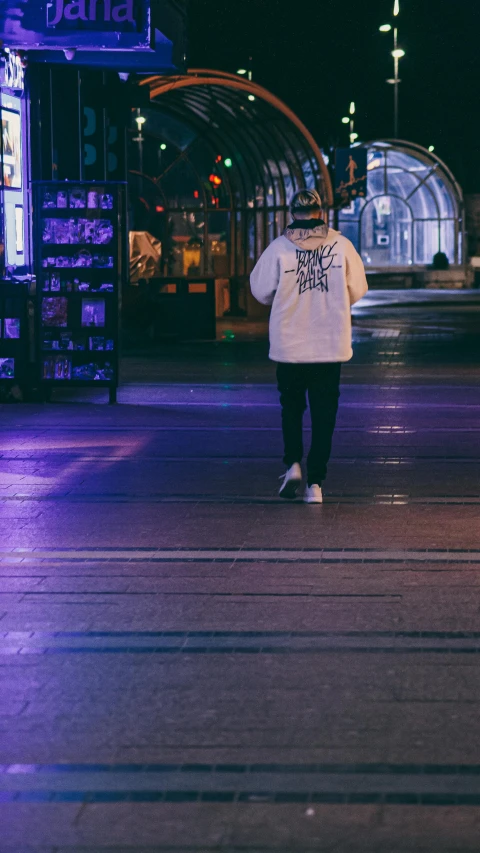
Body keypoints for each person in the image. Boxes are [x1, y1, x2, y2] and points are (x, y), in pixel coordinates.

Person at [250, 188, 368, 503]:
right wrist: (334, 301)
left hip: (290, 345)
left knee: (291, 409)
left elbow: (260, 290)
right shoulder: (342, 246)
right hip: (329, 344)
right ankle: (315, 484)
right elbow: (358, 288)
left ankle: (292, 466)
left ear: (292, 214)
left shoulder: (278, 248)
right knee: (324, 413)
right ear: (320, 212)